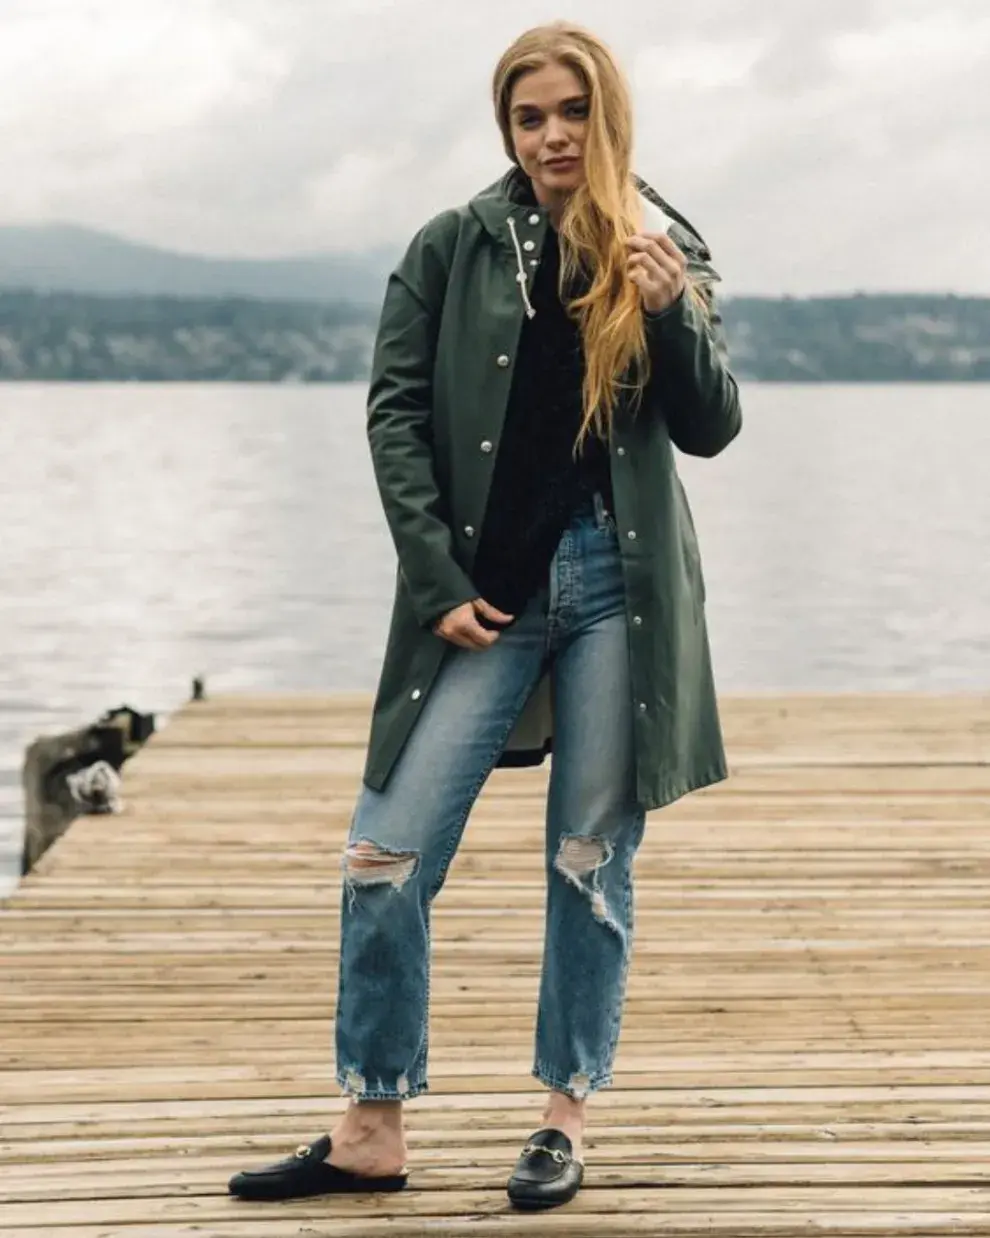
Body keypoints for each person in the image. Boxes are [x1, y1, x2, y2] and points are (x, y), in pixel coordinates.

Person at [229, 19, 741, 1212]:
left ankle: (563, 1115)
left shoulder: (668, 242)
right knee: (384, 848)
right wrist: (433, 575)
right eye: (529, 116)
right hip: (479, 599)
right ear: (506, 128)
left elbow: (712, 424)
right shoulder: (454, 244)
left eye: (571, 111)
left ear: (606, 114)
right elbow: (394, 415)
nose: (552, 134)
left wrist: (668, 311)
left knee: (587, 857)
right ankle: (371, 1124)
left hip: (622, 591)